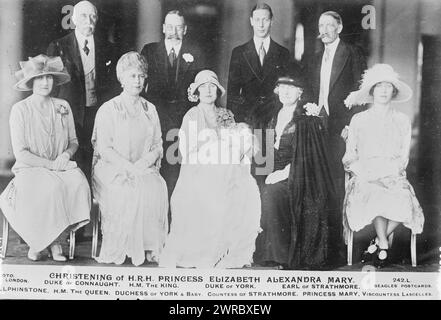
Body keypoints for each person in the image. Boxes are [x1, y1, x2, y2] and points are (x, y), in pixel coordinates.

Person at [159, 70, 261, 268]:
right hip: (198, 170)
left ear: (217, 91)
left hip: (225, 167)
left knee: (245, 186)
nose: (208, 91)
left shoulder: (225, 114)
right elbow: (187, 151)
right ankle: (207, 250)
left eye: (212, 86)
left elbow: (236, 142)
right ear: (196, 92)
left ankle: (229, 249)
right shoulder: (192, 115)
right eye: (203, 87)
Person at [0, 54, 91, 262]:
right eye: (40, 78)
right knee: (51, 187)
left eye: (49, 77)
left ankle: (58, 238)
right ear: (31, 81)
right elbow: (21, 153)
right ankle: (40, 242)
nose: (45, 82)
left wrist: (66, 154)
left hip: (59, 165)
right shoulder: (20, 110)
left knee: (79, 183)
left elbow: (73, 140)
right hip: (30, 168)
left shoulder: (63, 106)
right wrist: (51, 165)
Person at [343, 64, 425, 268]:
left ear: (394, 91)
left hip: (393, 174)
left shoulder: (402, 120)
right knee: (376, 193)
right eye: (378, 86)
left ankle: (380, 242)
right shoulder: (359, 119)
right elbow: (350, 155)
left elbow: (403, 157)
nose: (383, 90)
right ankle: (383, 246)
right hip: (365, 175)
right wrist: (368, 174)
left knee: (404, 199)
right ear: (371, 91)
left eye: (388, 86)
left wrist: (388, 174)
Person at [254, 71, 338, 270]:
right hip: (270, 169)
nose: (285, 92)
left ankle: (282, 256)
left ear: (300, 93)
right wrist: (262, 174)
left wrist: (283, 173)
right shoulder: (270, 116)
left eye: (291, 88)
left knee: (273, 193)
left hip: (297, 173)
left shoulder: (305, 118)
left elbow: (306, 157)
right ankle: (260, 252)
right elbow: (263, 152)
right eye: (282, 88)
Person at [91, 52, 168, 266]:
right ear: (122, 79)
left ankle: (149, 246)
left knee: (155, 186)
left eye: (141, 76)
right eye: (132, 76)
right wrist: (127, 167)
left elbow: (158, 144)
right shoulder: (109, 109)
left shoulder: (150, 109)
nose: (137, 80)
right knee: (127, 189)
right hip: (111, 168)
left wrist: (143, 164)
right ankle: (124, 247)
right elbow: (104, 148)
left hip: (142, 167)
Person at [304, 10, 367, 263]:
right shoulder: (315, 56)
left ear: (339, 28)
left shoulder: (352, 53)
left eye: (330, 25)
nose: (325, 29)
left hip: (341, 128)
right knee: (320, 184)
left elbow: (362, 92)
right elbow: (311, 90)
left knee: (338, 185)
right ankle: (322, 245)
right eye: (322, 25)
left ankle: (341, 247)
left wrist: (351, 126)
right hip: (318, 126)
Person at [47, 0, 118, 183]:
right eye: (84, 16)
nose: (89, 20)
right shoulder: (58, 46)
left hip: (98, 115)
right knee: (73, 164)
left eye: (93, 16)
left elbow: (112, 86)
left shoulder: (108, 48)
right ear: (74, 19)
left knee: (96, 161)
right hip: (69, 115)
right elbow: (52, 88)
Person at [140, 10, 207, 201]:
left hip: (183, 120)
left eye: (178, 26)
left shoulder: (196, 52)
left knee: (177, 171)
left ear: (185, 29)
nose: (173, 30)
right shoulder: (149, 50)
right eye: (170, 26)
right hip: (156, 119)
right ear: (163, 28)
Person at [227, 3, 294, 128]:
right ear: (251, 21)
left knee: (268, 147)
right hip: (247, 121)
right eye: (257, 20)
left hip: (274, 121)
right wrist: (237, 122)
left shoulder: (283, 53)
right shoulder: (239, 53)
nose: (261, 25)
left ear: (272, 21)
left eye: (265, 20)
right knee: (250, 148)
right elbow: (233, 93)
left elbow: (288, 90)